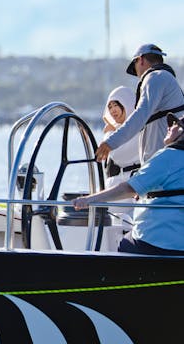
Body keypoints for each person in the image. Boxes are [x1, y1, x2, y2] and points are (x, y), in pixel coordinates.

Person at [73, 112, 184, 256]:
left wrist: (89, 200)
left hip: (155, 239)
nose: (169, 127)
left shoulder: (168, 156)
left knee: (125, 244)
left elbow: (128, 188)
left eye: (176, 125)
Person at [96, 44, 184, 165]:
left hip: (163, 162)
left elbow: (141, 114)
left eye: (135, 66)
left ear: (141, 59)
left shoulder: (154, 77)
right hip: (168, 160)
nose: (137, 74)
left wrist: (110, 142)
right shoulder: (166, 79)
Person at [101, 86, 140, 225]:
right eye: (110, 106)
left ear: (128, 104)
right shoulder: (115, 132)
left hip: (130, 188)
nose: (112, 110)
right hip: (115, 189)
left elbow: (118, 153)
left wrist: (108, 134)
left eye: (116, 105)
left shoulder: (138, 129)